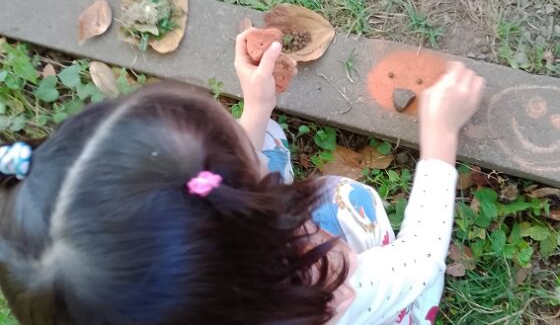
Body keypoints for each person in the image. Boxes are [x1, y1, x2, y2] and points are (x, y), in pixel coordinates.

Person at [0, 28, 484, 325]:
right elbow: (419, 259)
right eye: (233, 138)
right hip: (375, 303)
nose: (240, 132)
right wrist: (440, 135)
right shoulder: (328, 288)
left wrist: (258, 107)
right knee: (389, 256)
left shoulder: (177, 300)